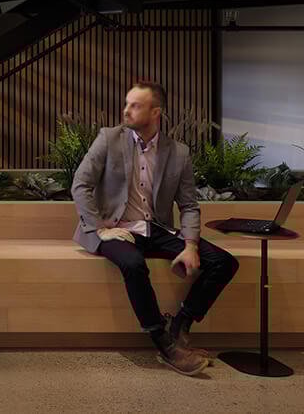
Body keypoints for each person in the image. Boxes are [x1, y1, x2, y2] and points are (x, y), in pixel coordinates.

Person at [71, 80, 240, 376]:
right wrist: (98, 228)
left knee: (223, 262)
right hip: (115, 229)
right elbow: (80, 184)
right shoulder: (108, 139)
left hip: (156, 229)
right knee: (134, 264)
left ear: (156, 112)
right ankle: (164, 343)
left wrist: (189, 246)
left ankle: (180, 325)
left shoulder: (179, 153)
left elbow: (188, 205)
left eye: (135, 105)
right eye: (126, 103)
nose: (126, 110)